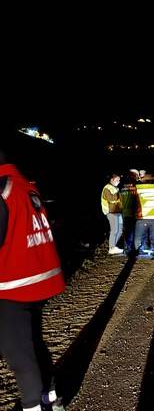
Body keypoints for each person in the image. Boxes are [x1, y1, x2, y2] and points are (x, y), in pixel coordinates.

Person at [0, 150, 66, 411]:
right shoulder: (25, 185)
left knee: (17, 351)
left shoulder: (2, 188)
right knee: (33, 342)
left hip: (12, 284)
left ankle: (32, 406)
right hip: (37, 279)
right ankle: (49, 395)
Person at [100, 174, 123, 254]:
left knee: (120, 230)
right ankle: (111, 247)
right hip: (111, 212)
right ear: (112, 180)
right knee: (114, 230)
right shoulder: (107, 188)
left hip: (118, 211)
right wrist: (120, 194)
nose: (119, 182)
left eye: (119, 180)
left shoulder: (115, 188)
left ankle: (113, 246)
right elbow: (111, 198)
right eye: (117, 180)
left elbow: (119, 200)